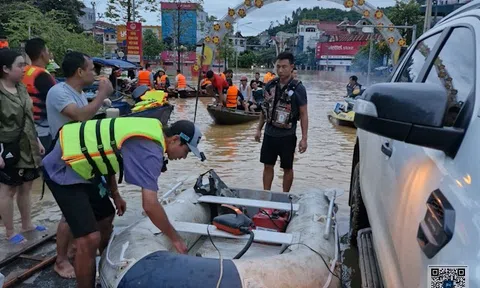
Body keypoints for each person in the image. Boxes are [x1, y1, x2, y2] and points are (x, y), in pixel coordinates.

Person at [42, 117, 205, 288]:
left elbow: (107, 151)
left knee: (106, 215)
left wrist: (115, 193)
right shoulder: (150, 149)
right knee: (89, 238)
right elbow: (149, 205)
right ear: (175, 139)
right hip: (62, 167)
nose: (184, 157)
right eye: (186, 151)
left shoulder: (153, 128)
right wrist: (176, 239)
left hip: (85, 167)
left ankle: (104, 263)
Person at [45, 51, 114, 279]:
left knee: (100, 214)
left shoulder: (79, 93)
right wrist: (102, 93)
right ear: (80, 71)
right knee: (68, 216)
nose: (94, 73)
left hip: (82, 161)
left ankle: (77, 252)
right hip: (62, 163)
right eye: (92, 68)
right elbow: (81, 116)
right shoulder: (58, 92)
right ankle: (61, 259)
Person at [0, 49, 45, 243]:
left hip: (28, 145)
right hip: (8, 147)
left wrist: (37, 140)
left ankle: (27, 224)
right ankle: (10, 232)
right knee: (7, 189)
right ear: (5, 69)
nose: (24, 69)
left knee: (26, 186)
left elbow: (29, 118)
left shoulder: (20, 88)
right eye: (19, 65)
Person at [255, 52, 308, 192]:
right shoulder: (270, 85)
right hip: (269, 133)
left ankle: (285, 197)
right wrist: (258, 129)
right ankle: (266, 195)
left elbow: (303, 114)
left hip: (287, 135)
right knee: (267, 165)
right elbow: (264, 109)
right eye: (278, 67)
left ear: (291, 67)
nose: (280, 70)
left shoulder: (299, 89)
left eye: (284, 67)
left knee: (287, 167)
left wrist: (304, 138)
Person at [23, 38, 57, 151]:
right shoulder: (42, 76)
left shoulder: (26, 72)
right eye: (47, 51)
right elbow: (57, 99)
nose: (49, 54)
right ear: (42, 54)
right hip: (42, 129)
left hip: (28, 125)